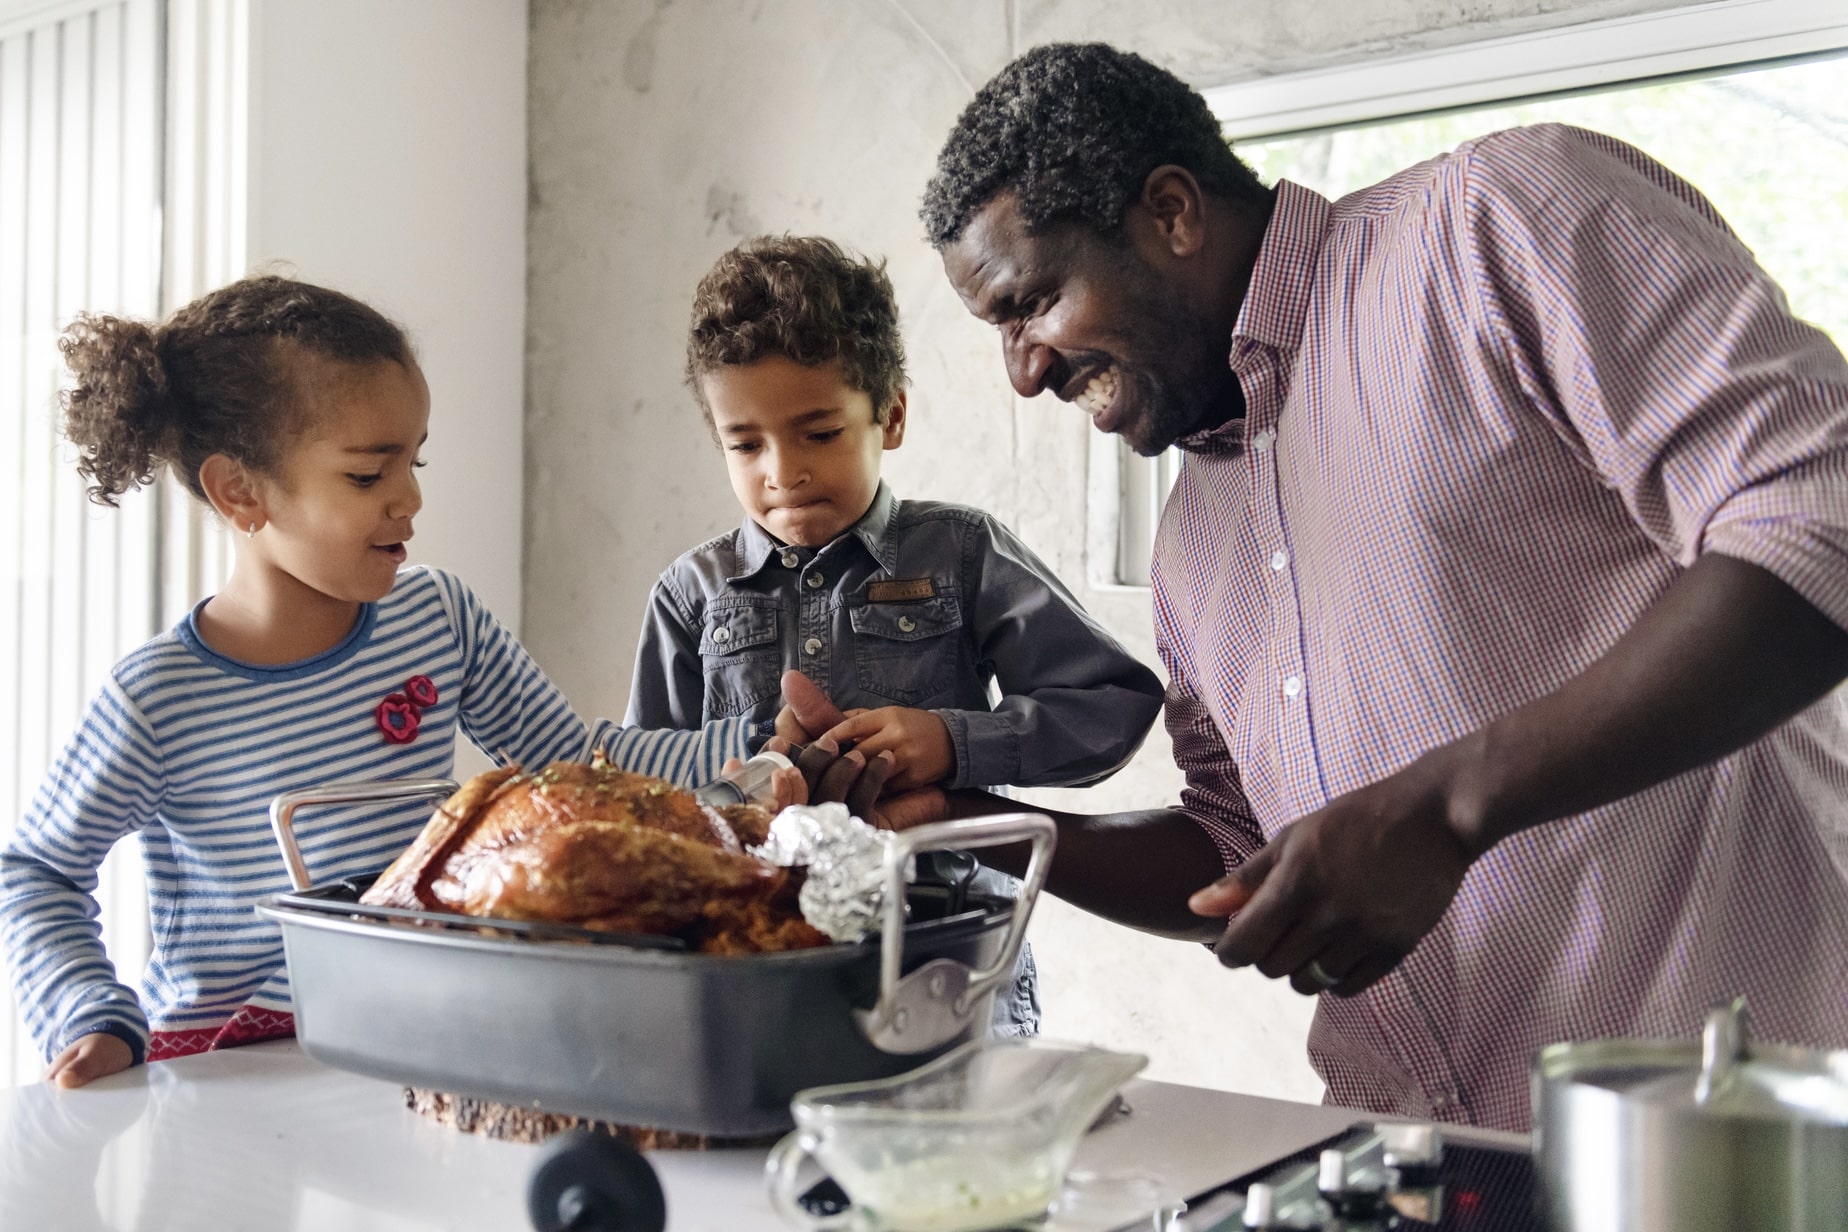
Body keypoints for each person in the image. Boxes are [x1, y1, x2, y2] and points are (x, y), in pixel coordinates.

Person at [808, 41, 1848, 1132]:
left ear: (1171, 212)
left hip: (1736, 1143)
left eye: (1031, 303)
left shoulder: (1493, 225)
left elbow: (1816, 506)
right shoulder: (1194, 543)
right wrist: (974, 819)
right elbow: (1235, 845)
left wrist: (1447, 804)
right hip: (1423, 1162)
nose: (1023, 370)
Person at [0, 276, 774, 1089]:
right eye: (368, 477)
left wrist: (755, 745)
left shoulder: (438, 617)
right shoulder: (157, 699)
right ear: (242, 492)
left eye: (415, 460)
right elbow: (34, 871)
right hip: (223, 1078)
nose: (410, 498)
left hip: (415, 1037)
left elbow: (582, 765)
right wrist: (88, 1014)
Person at [627, 235, 1166, 1035]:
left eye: (819, 432)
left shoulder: (962, 552)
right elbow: (648, 807)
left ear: (892, 415)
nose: (782, 471)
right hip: (756, 970)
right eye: (746, 444)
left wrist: (952, 743)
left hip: (950, 956)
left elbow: (1112, 705)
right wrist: (747, 789)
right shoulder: (687, 594)